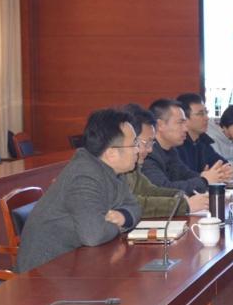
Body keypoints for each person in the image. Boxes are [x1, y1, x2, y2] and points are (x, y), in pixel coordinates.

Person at [16, 108, 142, 273]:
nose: (138, 150)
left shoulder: (114, 171)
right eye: (134, 144)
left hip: (76, 262)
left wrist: (123, 216)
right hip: (43, 272)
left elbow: (135, 206)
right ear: (111, 153)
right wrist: (118, 226)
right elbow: (94, 235)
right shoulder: (84, 175)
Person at [123, 104, 209, 218]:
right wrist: (184, 205)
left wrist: (179, 195)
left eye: (151, 143)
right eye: (146, 143)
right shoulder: (113, 169)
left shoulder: (134, 167)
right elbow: (133, 203)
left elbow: (151, 190)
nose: (150, 149)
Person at [142, 98, 232, 194]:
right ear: (160, 125)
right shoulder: (147, 153)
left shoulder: (171, 150)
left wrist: (213, 176)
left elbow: (185, 174)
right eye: (180, 122)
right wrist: (205, 180)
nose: (185, 128)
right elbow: (163, 189)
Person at [174, 92, 220, 173]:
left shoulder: (203, 141)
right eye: (200, 114)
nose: (207, 118)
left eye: (206, 112)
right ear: (184, 118)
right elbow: (183, 176)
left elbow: (221, 164)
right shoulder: (177, 145)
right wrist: (204, 177)